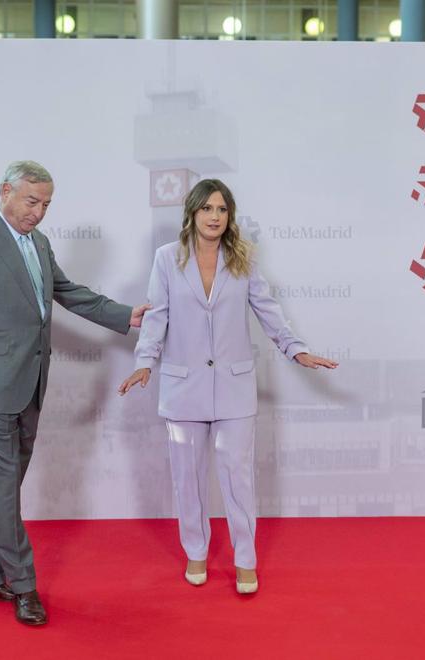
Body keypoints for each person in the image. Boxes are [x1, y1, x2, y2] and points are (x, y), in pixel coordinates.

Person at [0, 160, 149, 626]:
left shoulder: (40, 243)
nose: (39, 212)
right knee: (5, 489)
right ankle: (24, 587)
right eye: (32, 201)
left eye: (46, 204)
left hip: (30, 385)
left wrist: (124, 315)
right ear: (5, 191)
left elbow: (66, 292)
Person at [119, 179, 337, 594]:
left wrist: (296, 350)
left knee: (238, 477)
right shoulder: (167, 258)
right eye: (207, 209)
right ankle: (196, 552)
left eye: (221, 209)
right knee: (188, 478)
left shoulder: (243, 259)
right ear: (193, 213)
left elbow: (269, 312)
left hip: (235, 389)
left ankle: (245, 560)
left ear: (229, 216)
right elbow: (157, 316)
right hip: (183, 389)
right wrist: (145, 362)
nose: (214, 217)